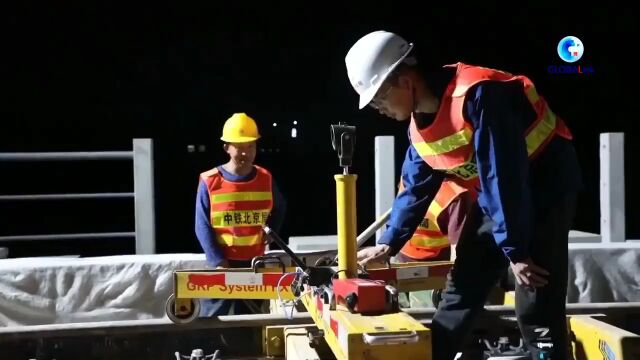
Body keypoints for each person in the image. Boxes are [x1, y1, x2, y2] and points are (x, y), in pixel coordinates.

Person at [345, 30, 582, 360]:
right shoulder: (420, 126)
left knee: (534, 281)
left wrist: (515, 251)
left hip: (547, 182)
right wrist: (389, 243)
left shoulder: (479, 95)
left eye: (379, 99)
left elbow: (504, 174)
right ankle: (436, 354)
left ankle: (546, 352)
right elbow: (415, 186)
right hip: (498, 194)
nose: (378, 109)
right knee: (464, 280)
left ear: (404, 80)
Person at [195, 112, 286, 316]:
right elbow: (201, 225)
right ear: (227, 147)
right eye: (239, 147)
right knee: (215, 318)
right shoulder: (209, 181)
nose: (245, 153)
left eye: (250, 146)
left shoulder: (265, 177)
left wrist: (271, 233)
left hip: (254, 263)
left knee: (251, 318)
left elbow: (280, 207)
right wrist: (218, 262)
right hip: (223, 263)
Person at [394, 178, 473, 309]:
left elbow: (457, 252)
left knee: (420, 320)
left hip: (429, 274)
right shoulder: (409, 176)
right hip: (402, 264)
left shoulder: (454, 196)